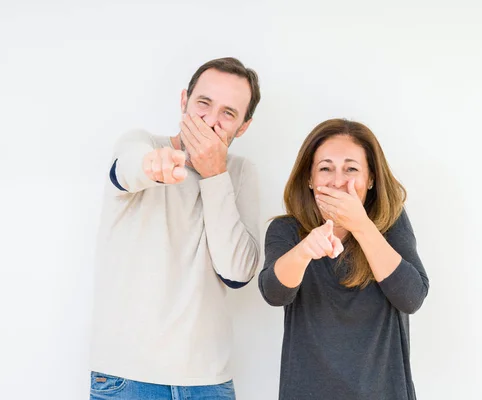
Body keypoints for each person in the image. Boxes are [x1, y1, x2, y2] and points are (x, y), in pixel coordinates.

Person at [89, 57, 261, 400]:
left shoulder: (240, 173)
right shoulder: (143, 144)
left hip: (209, 382)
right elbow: (126, 169)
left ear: (243, 127)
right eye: (203, 104)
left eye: (228, 113)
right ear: (184, 101)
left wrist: (214, 175)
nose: (211, 121)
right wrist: (153, 167)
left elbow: (237, 272)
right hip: (128, 378)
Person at [259, 118, 429, 400]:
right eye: (326, 168)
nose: (338, 181)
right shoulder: (286, 230)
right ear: (310, 179)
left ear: (371, 179)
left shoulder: (391, 225)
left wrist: (362, 226)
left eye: (351, 169)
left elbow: (412, 297)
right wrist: (305, 250)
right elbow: (274, 293)